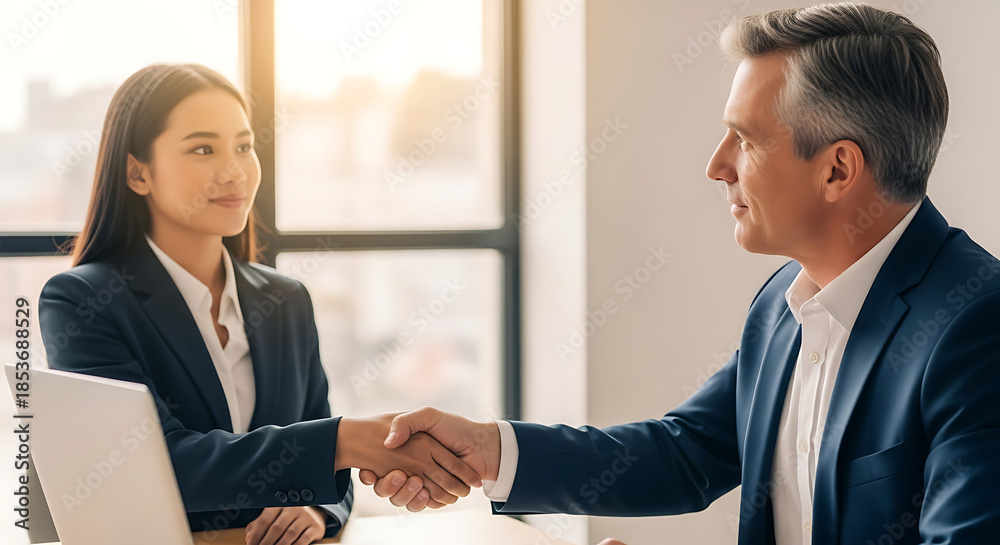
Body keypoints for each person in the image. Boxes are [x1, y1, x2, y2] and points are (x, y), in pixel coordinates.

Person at [360, 4, 1000, 544]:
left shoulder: (978, 326)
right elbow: (686, 454)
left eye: (744, 140)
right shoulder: (784, 301)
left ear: (837, 170)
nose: (716, 166)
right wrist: (488, 451)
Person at [37, 64, 480, 545]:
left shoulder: (285, 300)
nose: (234, 170)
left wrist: (315, 509)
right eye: (203, 149)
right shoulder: (82, 301)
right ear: (137, 172)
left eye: (244, 147)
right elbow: (151, 465)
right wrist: (341, 442)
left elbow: (333, 478)